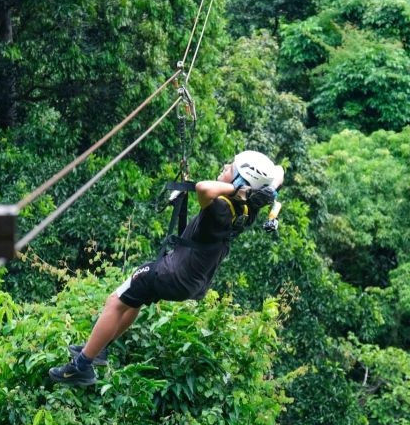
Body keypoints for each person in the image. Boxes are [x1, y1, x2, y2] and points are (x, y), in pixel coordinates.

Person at [49, 150, 284, 386]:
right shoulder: (248, 210)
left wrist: (238, 189)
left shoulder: (221, 209)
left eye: (230, 169)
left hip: (172, 274)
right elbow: (280, 173)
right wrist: (263, 190)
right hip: (191, 282)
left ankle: (81, 366)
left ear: (241, 183)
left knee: (116, 300)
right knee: (135, 299)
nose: (223, 167)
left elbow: (203, 187)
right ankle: (98, 349)